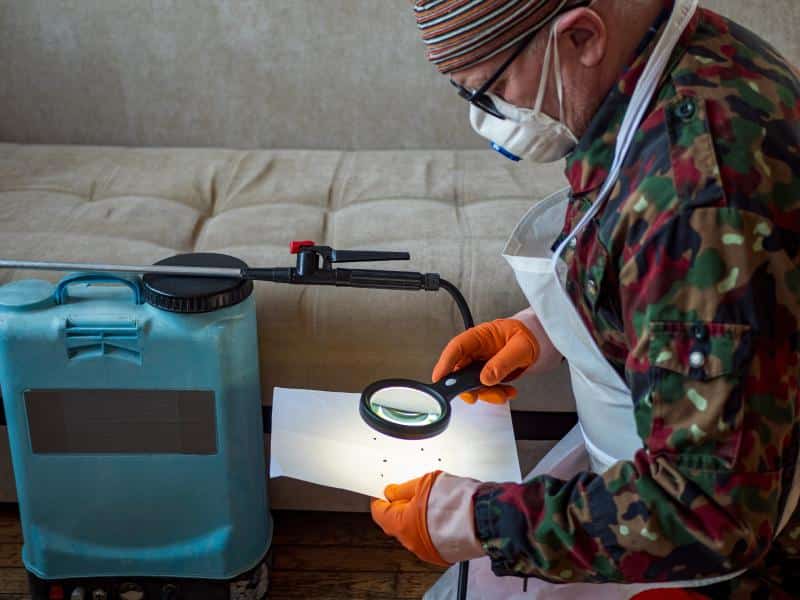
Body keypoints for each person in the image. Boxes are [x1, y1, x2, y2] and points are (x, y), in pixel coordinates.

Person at [369, 0, 800, 598]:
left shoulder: (698, 194)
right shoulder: (676, 59)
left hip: (722, 546)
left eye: (488, 92)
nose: (486, 118)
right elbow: (685, 294)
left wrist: (484, 521)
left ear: (582, 38)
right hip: (659, 453)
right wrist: (551, 328)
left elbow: (714, 513)